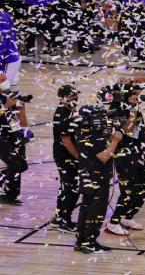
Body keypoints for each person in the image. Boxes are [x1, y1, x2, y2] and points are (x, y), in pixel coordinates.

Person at [104, 80, 145, 236]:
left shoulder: (132, 106)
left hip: (139, 152)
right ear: (125, 95)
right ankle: (113, 222)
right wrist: (133, 108)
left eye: (137, 94)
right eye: (133, 95)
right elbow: (129, 129)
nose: (137, 97)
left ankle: (127, 216)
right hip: (124, 154)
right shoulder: (116, 109)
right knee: (129, 190)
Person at [74, 105, 123, 254]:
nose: (103, 120)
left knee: (85, 209)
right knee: (96, 210)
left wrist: (107, 137)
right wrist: (115, 141)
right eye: (100, 117)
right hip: (97, 178)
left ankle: (81, 241)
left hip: (86, 176)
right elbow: (103, 156)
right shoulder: (93, 136)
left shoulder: (81, 131)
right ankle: (89, 243)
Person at [50, 85, 81, 233]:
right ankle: (65, 221)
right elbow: (67, 141)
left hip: (65, 153)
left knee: (66, 186)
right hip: (65, 155)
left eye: (76, 97)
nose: (75, 99)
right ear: (63, 98)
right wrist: (79, 158)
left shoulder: (69, 111)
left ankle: (59, 217)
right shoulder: (62, 114)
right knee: (72, 188)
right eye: (72, 97)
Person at [0, 73, 29, 205]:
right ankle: (10, 195)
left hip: (12, 133)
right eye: (2, 80)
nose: (5, 82)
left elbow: (21, 121)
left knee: (22, 165)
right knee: (15, 164)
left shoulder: (6, 96)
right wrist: (5, 106)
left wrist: (21, 107)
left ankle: (2, 179)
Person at [0, 6, 21, 92]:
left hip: (7, 60)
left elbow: (1, 44)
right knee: (11, 91)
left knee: (4, 93)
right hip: (13, 56)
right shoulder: (3, 12)